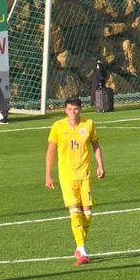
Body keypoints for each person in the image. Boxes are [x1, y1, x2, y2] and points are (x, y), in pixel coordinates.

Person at [45, 97, 105, 266]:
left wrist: (100, 165)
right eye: (70, 109)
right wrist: (48, 175)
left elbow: (96, 146)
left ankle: (79, 246)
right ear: (65, 110)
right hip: (67, 176)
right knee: (74, 211)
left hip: (85, 175)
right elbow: (50, 151)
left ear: (80, 109)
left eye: (76, 109)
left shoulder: (89, 124)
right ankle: (82, 250)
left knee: (87, 213)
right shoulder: (58, 126)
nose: (73, 112)